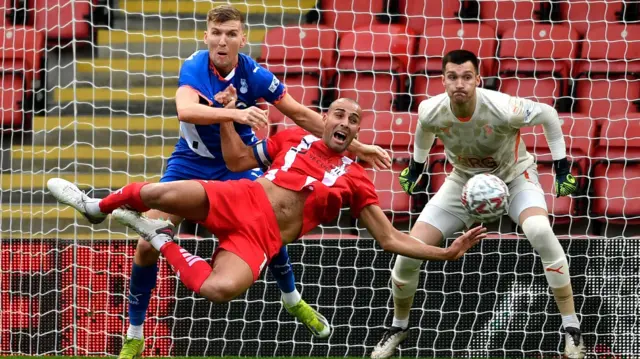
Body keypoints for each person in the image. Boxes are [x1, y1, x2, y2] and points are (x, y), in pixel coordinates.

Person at [47, 98, 486, 339]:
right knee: (159, 191)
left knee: (218, 289)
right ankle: (96, 208)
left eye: (354, 120)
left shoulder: (356, 180)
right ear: (325, 119)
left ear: (356, 134)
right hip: (238, 197)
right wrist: (227, 115)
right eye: (338, 113)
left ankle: (160, 239)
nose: (345, 122)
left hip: (261, 239)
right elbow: (238, 160)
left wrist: (444, 252)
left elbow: (389, 238)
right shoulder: (292, 137)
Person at [116, 5, 391, 358]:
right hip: (190, 164)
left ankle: (292, 299)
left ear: (242, 39)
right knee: (144, 247)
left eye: (231, 34)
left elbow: (303, 114)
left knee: (269, 219)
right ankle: (134, 334)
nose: (223, 41)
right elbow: (185, 110)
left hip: (236, 164)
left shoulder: (254, 74)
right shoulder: (196, 65)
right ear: (206, 37)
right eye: (217, 33)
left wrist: (359, 145)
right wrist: (234, 112)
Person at [370, 49, 585, 359]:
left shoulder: (503, 107)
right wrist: (416, 167)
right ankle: (399, 326)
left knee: (539, 229)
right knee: (407, 253)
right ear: (443, 80)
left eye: (467, 77)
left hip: (515, 178)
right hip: (462, 184)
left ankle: (571, 327)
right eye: (453, 77)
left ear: (477, 80)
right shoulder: (431, 110)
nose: (460, 84)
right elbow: (424, 131)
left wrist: (562, 166)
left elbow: (549, 115)